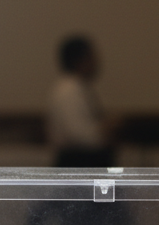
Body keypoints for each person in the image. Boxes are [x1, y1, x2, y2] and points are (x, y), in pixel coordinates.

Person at [47, 35, 112, 168]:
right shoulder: (68, 90)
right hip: (78, 162)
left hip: (84, 160)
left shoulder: (80, 87)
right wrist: (106, 129)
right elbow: (77, 135)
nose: (97, 62)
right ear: (80, 60)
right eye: (92, 57)